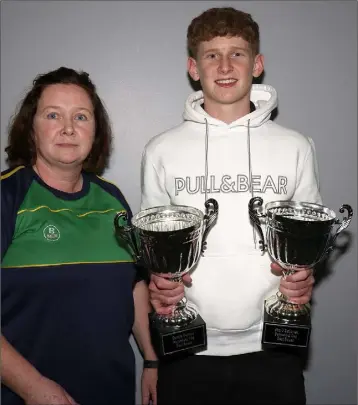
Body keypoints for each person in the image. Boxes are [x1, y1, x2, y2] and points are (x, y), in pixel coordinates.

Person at [140, 7, 320, 405]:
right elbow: (156, 251)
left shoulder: (296, 146)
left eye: (237, 53)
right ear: (193, 67)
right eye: (211, 54)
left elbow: (308, 240)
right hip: (188, 349)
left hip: (273, 348)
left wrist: (303, 274)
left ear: (257, 64)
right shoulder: (161, 150)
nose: (224, 65)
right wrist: (161, 282)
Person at [1, 67, 158, 405]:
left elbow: (133, 285)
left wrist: (151, 358)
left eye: (81, 117)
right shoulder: (7, 196)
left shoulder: (112, 199)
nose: (68, 128)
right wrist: (32, 388)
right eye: (53, 115)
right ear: (31, 128)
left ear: (95, 131)